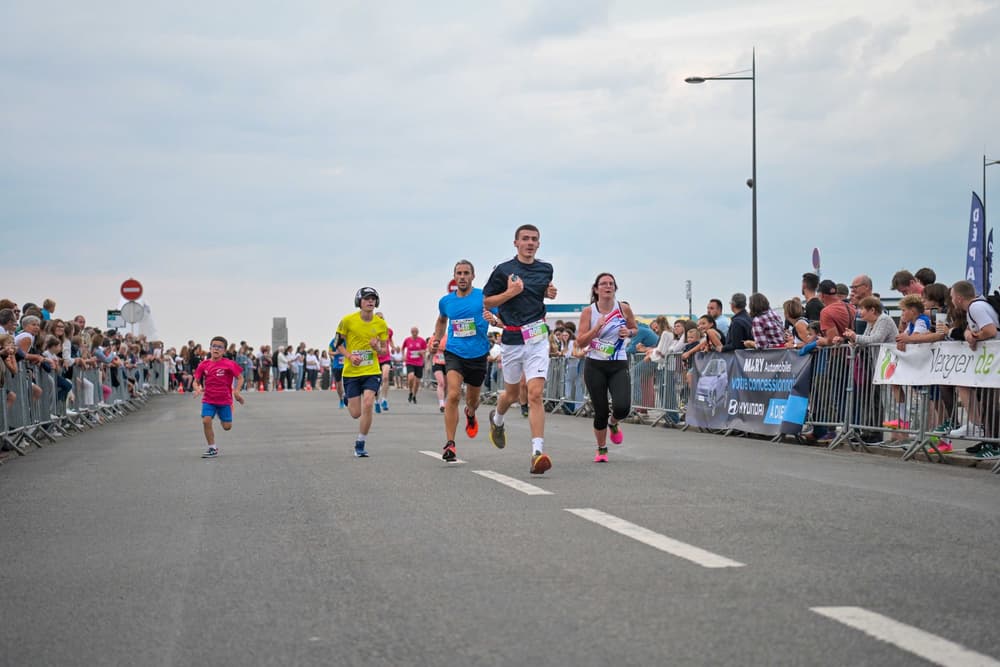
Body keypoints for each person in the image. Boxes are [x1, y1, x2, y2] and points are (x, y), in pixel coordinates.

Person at [483, 224, 558, 475]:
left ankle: (537, 452)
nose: (530, 243)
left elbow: (541, 294)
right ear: (515, 243)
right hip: (512, 340)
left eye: (534, 239)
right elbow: (486, 300)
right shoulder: (503, 270)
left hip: (537, 337)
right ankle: (498, 419)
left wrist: (549, 292)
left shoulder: (545, 269)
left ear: (539, 243)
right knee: (512, 394)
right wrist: (509, 292)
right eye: (525, 239)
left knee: (535, 393)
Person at [431, 260, 497, 461]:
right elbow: (442, 319)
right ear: (454, 276)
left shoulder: (483, 298)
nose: (462, 276)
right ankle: (450, 444)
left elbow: (500, 318)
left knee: (473, 400)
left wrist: (494, 321)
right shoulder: (446, 301)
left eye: (466, 273)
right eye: (458, 273)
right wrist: (436, 337)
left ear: (473, 276)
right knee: (452, 395)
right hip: (454, 353)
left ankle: (470, 412)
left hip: (477, 355)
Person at [575, 273, 638, 462]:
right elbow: (580, 341)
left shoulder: (623, 308)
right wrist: (596, 328)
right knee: (600, 410)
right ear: (596, 289)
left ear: (615, 288)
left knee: (623, 407)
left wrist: (629, 332)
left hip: (618, 362)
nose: (608, 287)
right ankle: (602, 449)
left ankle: (614, 423)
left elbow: (635, 329)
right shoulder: (589, 311)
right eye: (603, 284)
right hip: (595, 365)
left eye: (611, 284)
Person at [334, 287, 389, 457]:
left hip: (371, 370)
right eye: (366, 299)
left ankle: (360, 442)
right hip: (351, 372)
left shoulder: (381, 324)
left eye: (373, 299)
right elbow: (338, 344)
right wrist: (350, 356)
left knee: (368, 403)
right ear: (359, 301)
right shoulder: (347, 321)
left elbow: (384, 351)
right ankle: (348, 398)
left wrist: (376, 347)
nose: (370, 301)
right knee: (355, 413)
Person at [192, 336, 244, 458]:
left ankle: (223, 414)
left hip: (225, 400)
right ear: (210, 348)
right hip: (209, 399)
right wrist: (197, 388)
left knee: (227, 427)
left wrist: (236, 392)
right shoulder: (203, 364)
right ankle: (212, 448)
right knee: (206, 420)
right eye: (214, 346)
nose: (216, 349)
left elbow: (240, 377)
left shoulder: (229, 364)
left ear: (224, 350)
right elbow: (196, 381)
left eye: (219, 347)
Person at [374, 312, 397, 413]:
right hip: (374, 359)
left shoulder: (388, 331)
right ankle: (376, 402)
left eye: (382, 318)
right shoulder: (372, 331)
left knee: (385, 377)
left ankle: (384, 399)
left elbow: (390, 340)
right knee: (376, 382)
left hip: (386, 357)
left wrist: (393, 347)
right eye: (378, 318)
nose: (380, 320)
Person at [401, 326, 428, 403]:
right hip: (410, 362)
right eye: (413, 332)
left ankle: (414, 395)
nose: (414, 333)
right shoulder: (407, 340)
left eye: (416, 332)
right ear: (411, 332)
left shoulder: (421, 340)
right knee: (411, 377)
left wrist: (422, 352)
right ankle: (410, 391)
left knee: (417, 382)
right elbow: (402, 348)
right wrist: (403, 355)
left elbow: (425, 349)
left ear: (418, 332)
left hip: (419, 363)